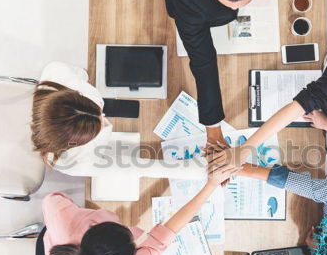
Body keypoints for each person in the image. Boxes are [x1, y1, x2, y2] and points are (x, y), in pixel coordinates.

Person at [146, 0, 288, 145]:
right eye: (227, 3)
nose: (234, 11)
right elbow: (203, 60)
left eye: (244, 0)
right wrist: (213, 132)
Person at [37, 165, 236, 255]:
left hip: (52, 247)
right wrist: (210, 186)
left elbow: (54, 199)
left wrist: (211, 184)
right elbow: (169, 231)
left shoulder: (61, 216)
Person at [30, 61, 204, 180]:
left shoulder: (56, 73)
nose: (105, 120)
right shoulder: (70, 161)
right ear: (74, 143)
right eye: (96, 130)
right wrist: (206, 172)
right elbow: (145, 168)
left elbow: (81, 74)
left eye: (98, 114)